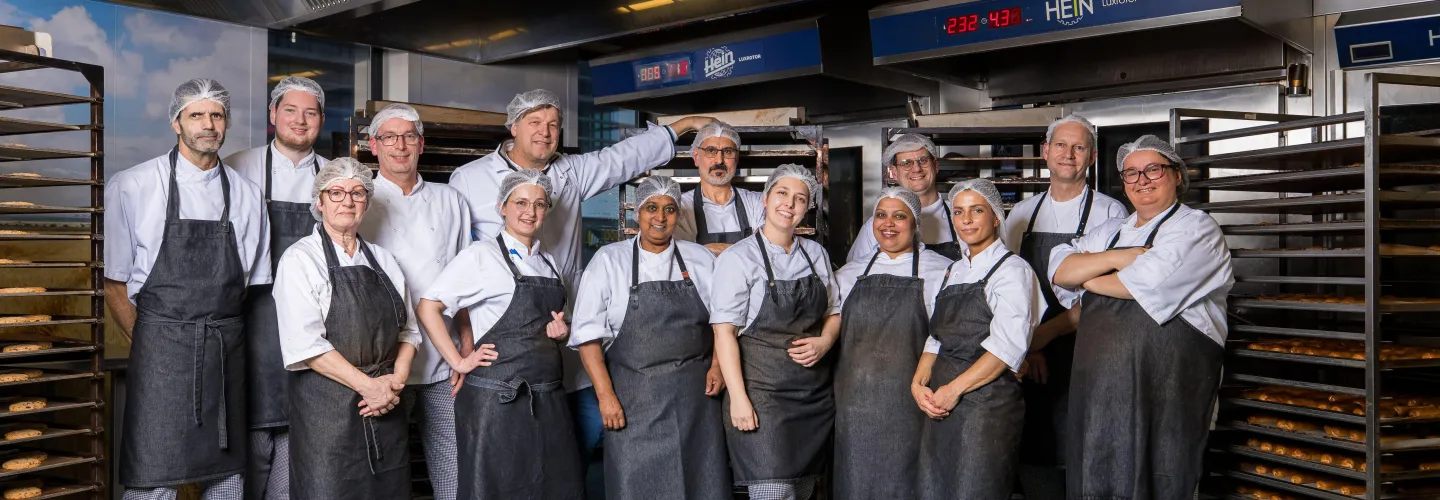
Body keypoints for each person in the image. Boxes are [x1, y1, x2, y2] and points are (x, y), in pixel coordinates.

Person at [447, 88, 715, 465]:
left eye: (553, 124)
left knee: (577, 444)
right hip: (501, 347)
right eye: (535, 122)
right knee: (513, 457)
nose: (545, 132)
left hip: (566, 330)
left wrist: (682, 127)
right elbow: (455, 275)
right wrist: (464, 342)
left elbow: (622, 159)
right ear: (513, 126)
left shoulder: (569, 171)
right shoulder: (470, 179)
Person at [104, 79, 268, 500]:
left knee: (227, 476)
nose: (208, 124)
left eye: (216, 115)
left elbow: (249, 286)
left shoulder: (249, 196)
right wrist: (150, 341)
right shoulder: (133, 185)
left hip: (223, 351)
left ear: (226, 123)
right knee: (153, 476)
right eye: (197, 114)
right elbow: (114, 283)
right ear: (176, 122)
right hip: (161, 351)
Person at [1049, 135, 1233, 500]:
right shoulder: (1111, 232)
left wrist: (1087, 275)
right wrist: (1121, 257)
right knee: (1094, 477)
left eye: (1153, 169)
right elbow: (1058, 267)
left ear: (1177, 175)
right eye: (1131, 173)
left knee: (1158, 478)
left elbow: (1139, 285)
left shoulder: (1197, 229)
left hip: (1164, 393)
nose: (1142, 180)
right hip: (1098, 393)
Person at [416, 169, 583, 499]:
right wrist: (459, 360)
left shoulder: (549, 263)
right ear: (502, 206)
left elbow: (551, 328)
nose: (529, 211)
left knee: (552, 487)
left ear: (547, 210)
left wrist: (561, 333)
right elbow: (428, 307)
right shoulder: (482, 256)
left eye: (538, 204)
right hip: (495, 402)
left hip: (547, 398)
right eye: (520, 202)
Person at [570, 176, 730, 500]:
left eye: (669, 209)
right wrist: (605, 396)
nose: (660, 217)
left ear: (678, 215)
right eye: (652, 208)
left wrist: (718, 366)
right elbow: (587, 336)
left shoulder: (700, 260)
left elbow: (723, 322)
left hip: (696, 401)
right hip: (633, 401)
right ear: (638, 213)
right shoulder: (609, 261)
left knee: (702, 485)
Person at [273, 158, 418, 499]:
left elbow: (409, 332)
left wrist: (393, 385)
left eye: (357, 193)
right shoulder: (300, 260)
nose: (347, 201)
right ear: (319, 202)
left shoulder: (383, 260)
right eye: (336, 192)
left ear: (367, 203)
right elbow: (306, 346)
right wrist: (369, 388)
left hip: (387, 403)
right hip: (328, 413)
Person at [1000, 114, 1127, 499]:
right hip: (1026, 352)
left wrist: (1043, 337)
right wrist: (1026, 345)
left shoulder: (1112, 213)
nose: (1068, 154)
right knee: (1032, 447)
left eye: (1078, 147)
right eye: (1060, 145)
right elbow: (1010, 285)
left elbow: (1106, 296)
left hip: (1085, 348)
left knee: (1079, 446)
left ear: (1090, 157)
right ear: (1045, 153)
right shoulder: (1022, 213)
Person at [354, 103, 472, 500]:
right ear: (374, 146)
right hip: (382, 367)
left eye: (408, 137)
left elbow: (465, 282)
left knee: (453, 469)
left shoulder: (451, 200)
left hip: (443, 363)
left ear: (421, 145)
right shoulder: (359, 202)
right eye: (389, 137)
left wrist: (464, 349)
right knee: (383, 472)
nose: (399, 146)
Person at [224, 75, 328, 500]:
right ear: (272, 115)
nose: (299, 121)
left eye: (310, 112)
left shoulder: (336, 176)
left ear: (321, 119)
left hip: (314, 325)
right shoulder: (236, 166)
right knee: (244, 438)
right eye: (290, 110)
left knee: (299, 440)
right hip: (250, 321)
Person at [711, 164, 839, 500]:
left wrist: (826, 341)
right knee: (773, 492)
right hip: (762, 396)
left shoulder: (816, 255)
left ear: (807, 208)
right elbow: (724, 333)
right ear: (766, 199)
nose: (790, 204)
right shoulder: (739, 258)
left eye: (800, 198)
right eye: (782, 193)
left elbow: (835, 312)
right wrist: (738, 399)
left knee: (801, 491)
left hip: (812, 397)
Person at [913, 178, 1039, 500]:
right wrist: (918, 382)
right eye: (958, 212)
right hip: (941, 403)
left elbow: (1006, 348)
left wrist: (954, 390)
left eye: (976, 210)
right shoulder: (953, 270)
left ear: (995, 216)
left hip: (986, 408)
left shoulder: (1012, 270)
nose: (966, 220)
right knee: (935, 489)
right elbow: (937, 337)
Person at [831, 187, 952, 500]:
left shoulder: (941, 271)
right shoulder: (850, 274)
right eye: (881, 215)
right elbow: (830, 330)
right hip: (854, 405)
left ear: (915, 224)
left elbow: (948, 336)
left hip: (912, 402)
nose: (889, 223)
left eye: (900, 216)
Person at [847, 134, 961, 262]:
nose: (916, 169)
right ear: (894, 173)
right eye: (906, 163)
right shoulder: (878, 226)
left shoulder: (961, 216)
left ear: (935, 166)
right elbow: (856, 273)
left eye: (923, 160)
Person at [674, 121, 765, 254]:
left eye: (728, 152)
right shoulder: (680, 207)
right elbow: (680, 255)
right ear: (696, 157)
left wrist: (705, 250)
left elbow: (765, 250)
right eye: (711, 151)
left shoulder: (756, 203)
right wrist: (745, 251)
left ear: (737, 158)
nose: (719, 160)